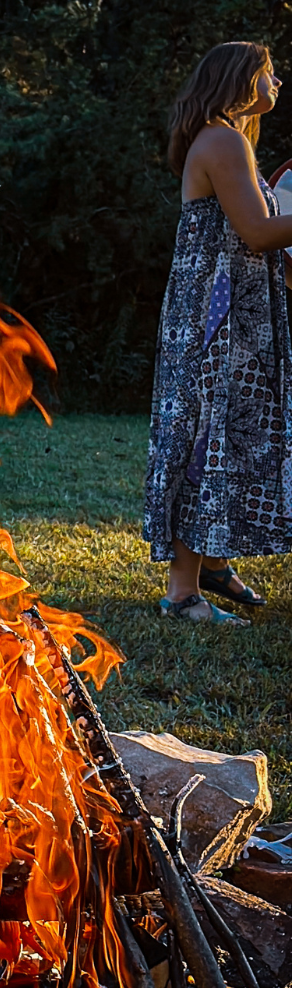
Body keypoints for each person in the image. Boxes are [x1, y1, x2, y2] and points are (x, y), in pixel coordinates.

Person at [143, 41, 292, 622]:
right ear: (241, 79)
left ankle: (211, 563)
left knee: (223, 428)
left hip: (221, 308)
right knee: (206, 431)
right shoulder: (224, 140)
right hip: (216, 315)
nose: (278, 80)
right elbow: (257, 232)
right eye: (269, 72)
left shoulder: (228, 139)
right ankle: (183, 594)